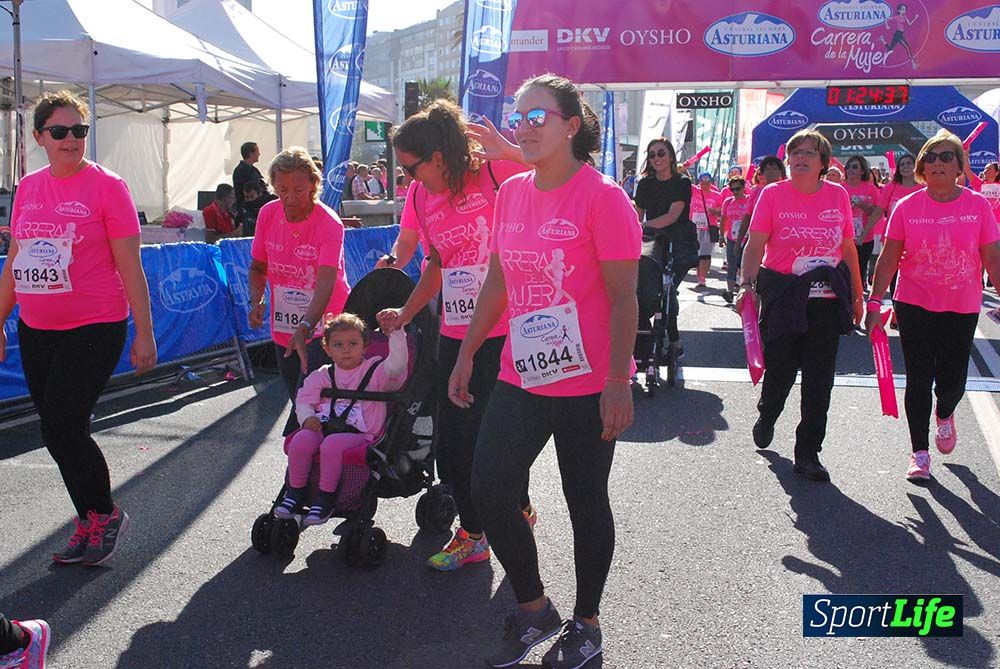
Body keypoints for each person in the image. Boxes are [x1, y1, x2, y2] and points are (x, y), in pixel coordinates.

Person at [448, 73, 640, 669]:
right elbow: (499, 281)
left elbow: (623, 298)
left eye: (538, 118)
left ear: (571, 127)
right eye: (519, 115)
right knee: (489, 487)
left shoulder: (603, 196)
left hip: (587, 384)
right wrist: (466, 351)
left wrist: (617, 381)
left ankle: (588, 622)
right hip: (520, 373)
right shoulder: (513, 192)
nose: (523, 128)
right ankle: (535, 608)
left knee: (585, 500)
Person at [376, 98, 535, 572]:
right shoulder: (421, 198)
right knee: (456, 442)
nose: (407, 179)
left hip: (511, 329)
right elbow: (438, 263)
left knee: (502, 438)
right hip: (456, 332)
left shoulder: (494, 173)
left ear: (439, 157)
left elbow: (564, 172)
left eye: (410, 167)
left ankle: (517, 508)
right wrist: (405, 312)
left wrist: (511, 150)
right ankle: (474, 532)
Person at [0, 90, 157, 565]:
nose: (71, 140)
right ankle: (89, 518)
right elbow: (15, 260)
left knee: (64, 423)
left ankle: (104, 514)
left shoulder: (108, 187)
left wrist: (144, 333)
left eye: (79, 131)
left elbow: (131, 266)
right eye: (60, 132)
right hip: (36, 326)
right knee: (57, 430)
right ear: (39, 137)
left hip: (95, 324)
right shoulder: (28, 187)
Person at [867, 131, 1000, 481]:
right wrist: (875, 300)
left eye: (946, 157)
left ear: (959, 165)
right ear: (924, 165)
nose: (938, 162)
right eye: (932, 157)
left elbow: (993, 258)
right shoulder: (907, 206)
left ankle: (945, 413)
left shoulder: (977, 206)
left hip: (961, 304)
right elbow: (890, 256)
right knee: (918, 377)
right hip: (914, 302)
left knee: (953, 380)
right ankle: (919, 453)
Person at [736, 129, 863, 482]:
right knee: (781, 372)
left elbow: (849, 248)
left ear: (823, 162)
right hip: (784, 295)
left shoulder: (838, 195)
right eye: (795, 152)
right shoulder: (772, 195)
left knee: (820, 380)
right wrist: (746, 286)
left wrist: (857, 293)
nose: (801, 158)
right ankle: (768, 413)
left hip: (826, 298)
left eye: (810, 152)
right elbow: (754, 245)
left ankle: (808, 452)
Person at [248, 146, 351, 436]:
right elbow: (258, 267)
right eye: (282, 189)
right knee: (298, 399)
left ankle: (316, 468)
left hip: (324, 327)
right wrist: (256, 300)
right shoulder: (268, 214)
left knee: (313, 403)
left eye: (298, 189)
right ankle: (309, 463)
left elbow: (326, 281)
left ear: (313, 185)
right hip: (284, 326)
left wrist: (306, 326)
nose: (290, 198)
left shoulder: (329, 222)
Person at [276, 313, 408, 525]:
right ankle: (295, 492)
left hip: (363, 434)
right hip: (327, 427)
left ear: (365, 347)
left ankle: (325, 497)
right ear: (327, 349)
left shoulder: (374, 370)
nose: (346, 349)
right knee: (301, 439)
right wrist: (306, 418)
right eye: (338, 344)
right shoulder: (323, 374)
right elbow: (304, 399)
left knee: (331, 444)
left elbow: (397, 368)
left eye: (353, 344)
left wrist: (396, 334)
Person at [633, 137, 698, 361]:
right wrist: (632, 228)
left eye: (661, 153)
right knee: (644, 290)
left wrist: (641, 225)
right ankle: (641, 341)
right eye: (652, 155)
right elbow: (637, 213)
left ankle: (674, 339)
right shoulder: (644, 184)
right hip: (651, 242)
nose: (656, 158)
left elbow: (672, 216)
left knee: (667, 291)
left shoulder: (682, 182)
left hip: (678, 243)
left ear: (670, 155)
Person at [842, 155, 883, 287]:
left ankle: (858, 301)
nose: (850, 169)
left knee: (859, 271)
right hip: (844, 238)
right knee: (844, 272)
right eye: (848, 167)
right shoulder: (840, 188)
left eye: (854, 167)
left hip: (864, 238)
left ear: (862, 171)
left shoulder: (870, 188)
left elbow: (876, 212)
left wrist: (861, 204)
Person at [734, 155, 786, 252]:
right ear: (763, 172)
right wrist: (738, 241)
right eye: (767, 169)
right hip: (757, 238)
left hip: (780, 239)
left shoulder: (787, 191)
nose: (771, 172)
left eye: (774, 168)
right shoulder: (756, 191)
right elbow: (747, 216)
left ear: (780, 171)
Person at [720, 177, 750, 302]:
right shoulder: (728, 201)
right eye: (732, 189)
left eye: (738, 189)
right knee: (731, 265)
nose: (735, 192)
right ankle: (730, 292)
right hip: (732, 237)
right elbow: (723, 219)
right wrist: (721, 236)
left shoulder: (749, 200)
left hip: (747, 238)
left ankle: (745, 291)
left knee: (744, 266)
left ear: (744, 188)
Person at [691, 171, 723, 286]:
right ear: (699, 182)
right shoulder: (694, 191)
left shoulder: (717, 195)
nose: (705, 184)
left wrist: (715, 211)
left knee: (705, 254)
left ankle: (702, 278)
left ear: (711, 183)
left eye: (707, 182)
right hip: (694, 227)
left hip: (708, 227)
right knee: (695, 253)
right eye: (702, 182)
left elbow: (722, 213)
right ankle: (699, 274)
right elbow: (680, 177)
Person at [881, 2, 920, 69]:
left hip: (900, 34)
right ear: (899, 10)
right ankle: (913, 64)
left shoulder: (905, 17)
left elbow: (909, 24)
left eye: (904, 9)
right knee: (907, 48)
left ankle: (882, 40)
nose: (904, 10)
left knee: (890, 48)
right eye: (902, 9)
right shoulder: (896, 17)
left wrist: (915, 18)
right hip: (898, 34)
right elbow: (887, 19)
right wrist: (887, 25)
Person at [233, 141, 267, 213]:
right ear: (251, 154)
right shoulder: (240, 171)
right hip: (248, 211)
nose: (259, 154)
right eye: (257, 152)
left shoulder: (254, 170)